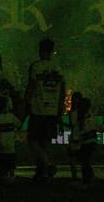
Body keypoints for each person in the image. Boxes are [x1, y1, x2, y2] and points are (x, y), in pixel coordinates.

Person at [24, 38, 65, 183]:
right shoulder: (59, 68)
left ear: (40, 50)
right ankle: (44, 175)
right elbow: (62, 92)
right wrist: (60, 111)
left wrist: (26, 103)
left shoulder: (36, 66)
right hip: (52, 110)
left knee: (32, 140)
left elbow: (31, 87)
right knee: (46, 142)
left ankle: (48, 164)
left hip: (38, 109)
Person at [0, 95, 21, 184]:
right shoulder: (11, 116)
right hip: (11, 147)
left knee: (1, 165)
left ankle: (1, 179)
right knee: (10, 166)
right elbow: (18, 125)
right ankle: (11, 178)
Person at [68, 96, 98, 188]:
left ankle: (86, 181)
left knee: (84, 161)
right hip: (92, 141)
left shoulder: (74, 115)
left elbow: (75, 129)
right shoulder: (91, 115)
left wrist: (74, 140)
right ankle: (90, 178)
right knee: (85, 160)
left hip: (84, 142)